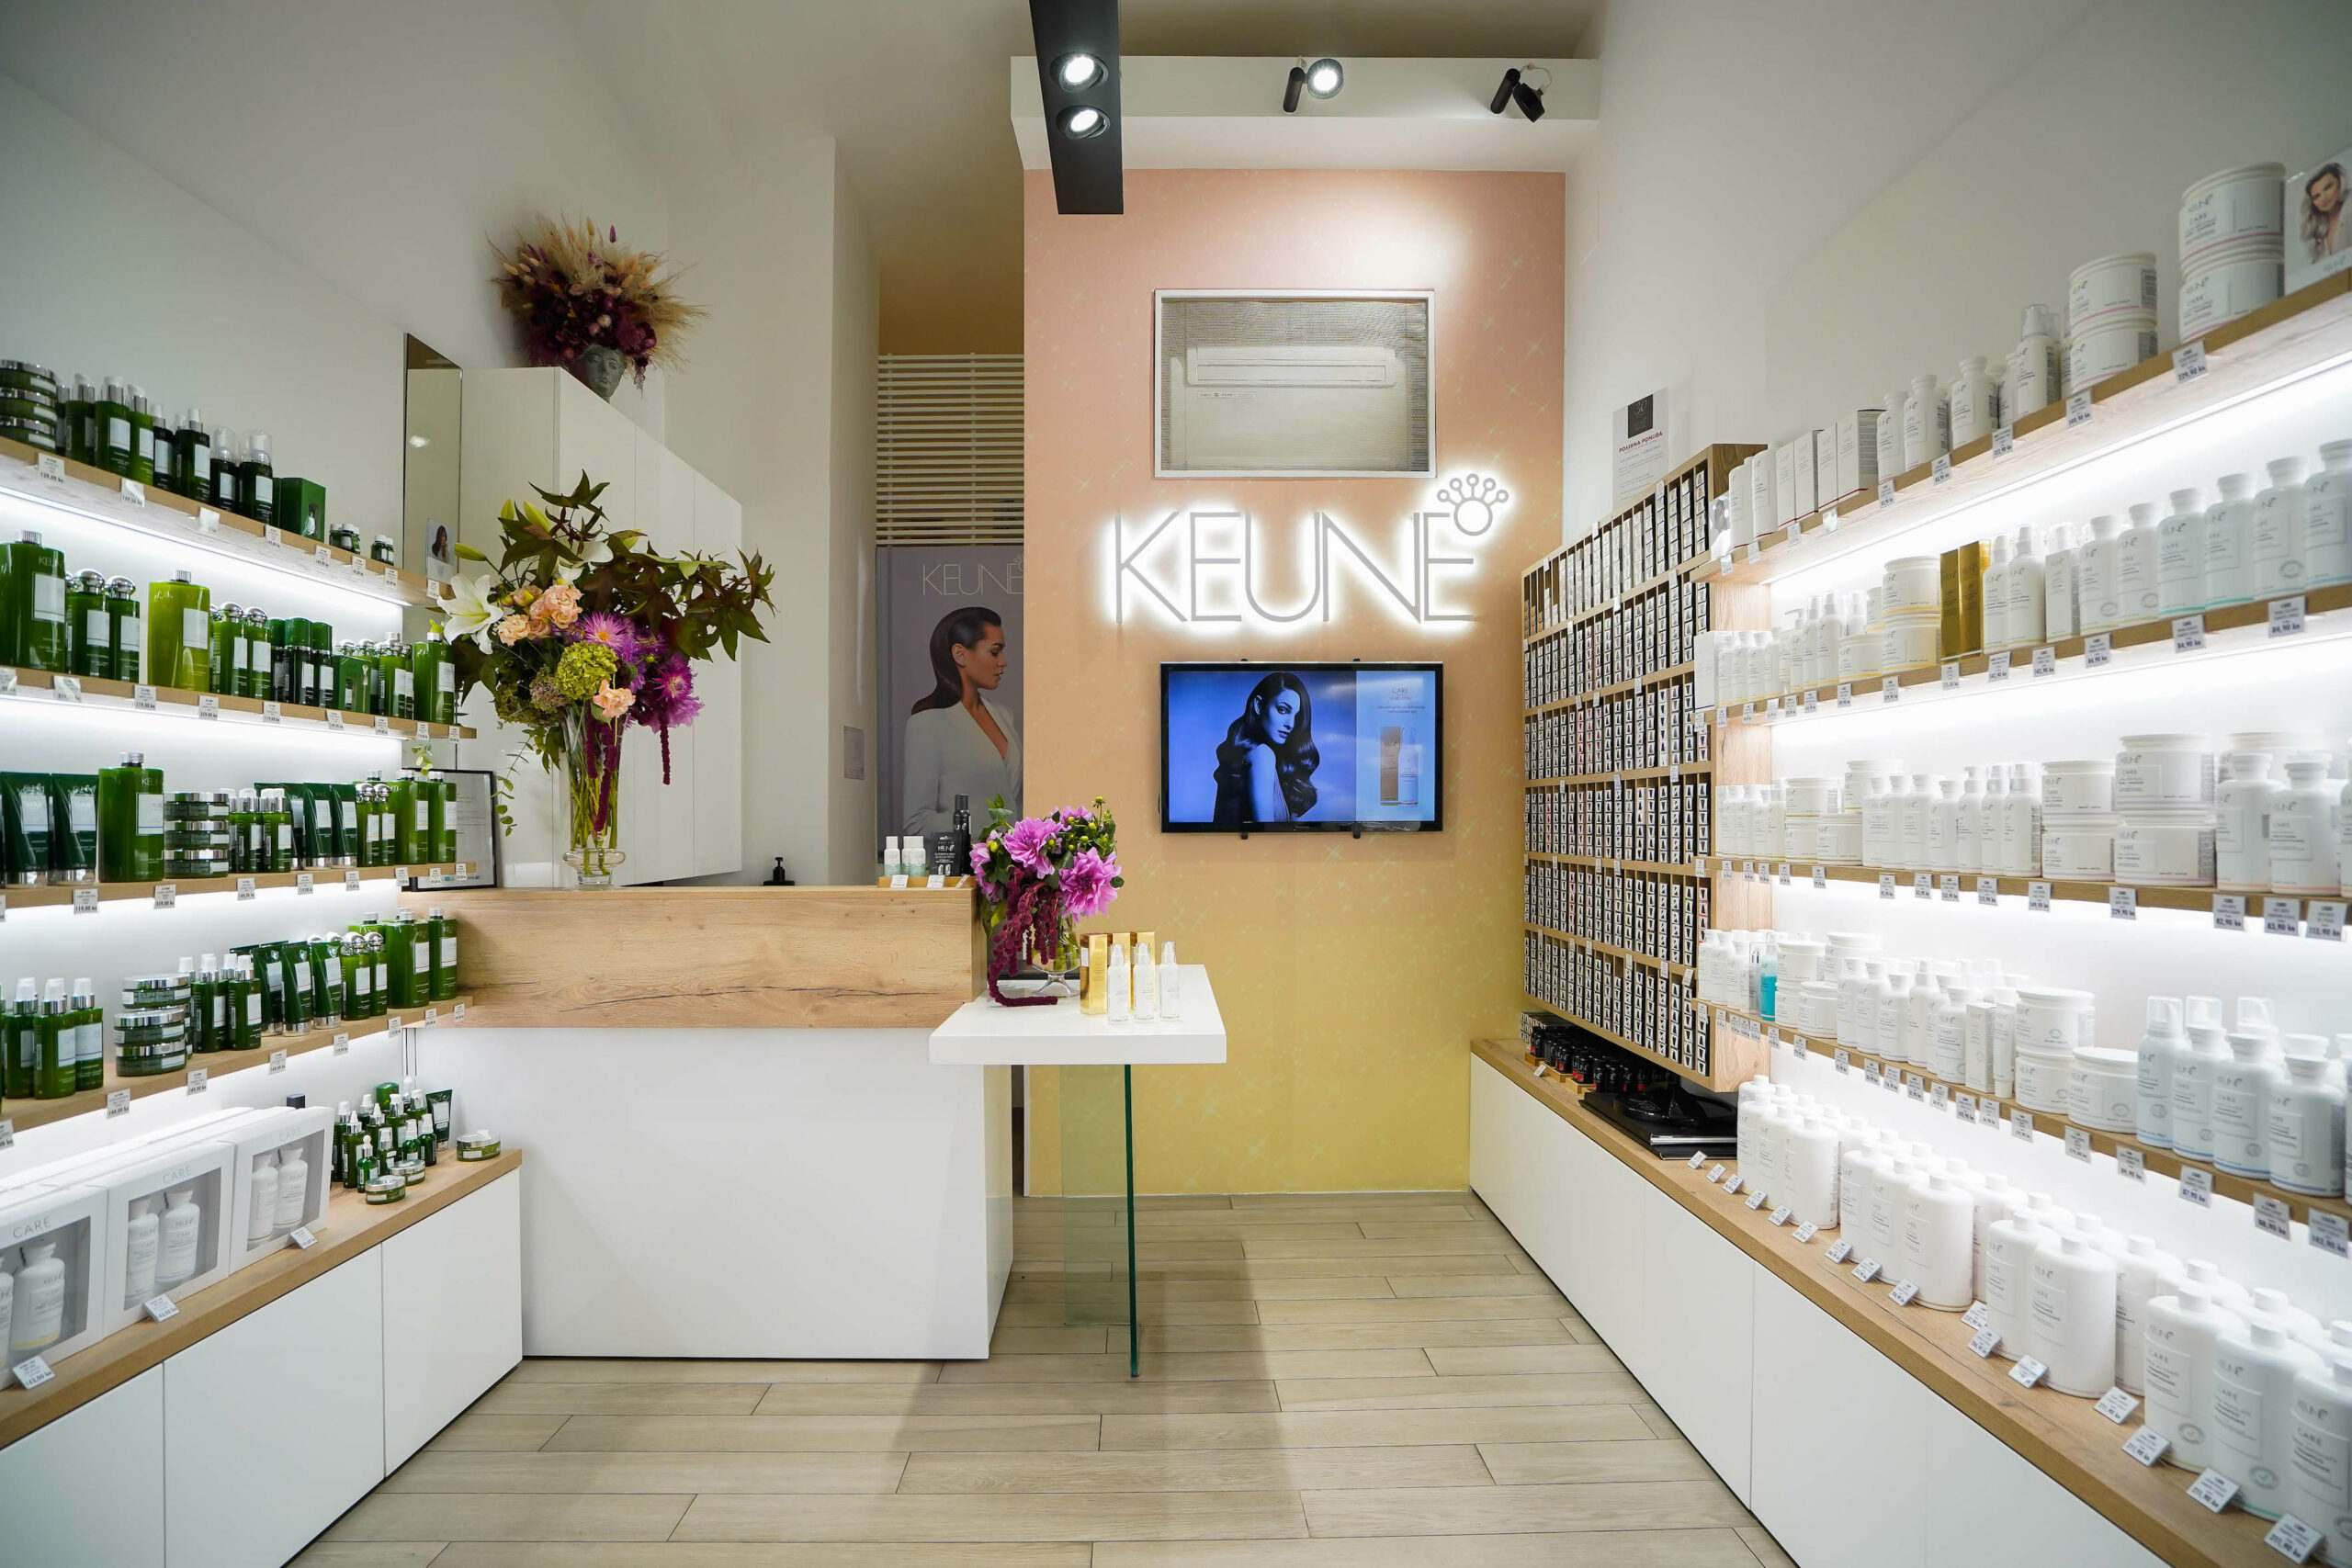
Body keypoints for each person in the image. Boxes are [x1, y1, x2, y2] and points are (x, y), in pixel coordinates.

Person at [901, 606, 1020, 838]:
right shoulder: (927, 723)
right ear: (960, 654)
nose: (1003, 662)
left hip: (1014, 859)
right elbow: (917, 821)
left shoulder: (1005, 716)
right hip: (961, 859)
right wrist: (990, 830)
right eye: (995, 652)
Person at [1212, 671, 1319, 827]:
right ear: (1258, 705)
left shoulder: (1249, 756)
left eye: (1296, 716)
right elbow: (1266, 834)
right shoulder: (1262, 755)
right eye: (1283, 710)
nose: (1290, 724)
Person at [2301, 162, 2347, 265]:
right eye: (2316, 196)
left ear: (2340, 182)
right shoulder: (2318, 229)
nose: (2323, 198)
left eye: (2327, 188)